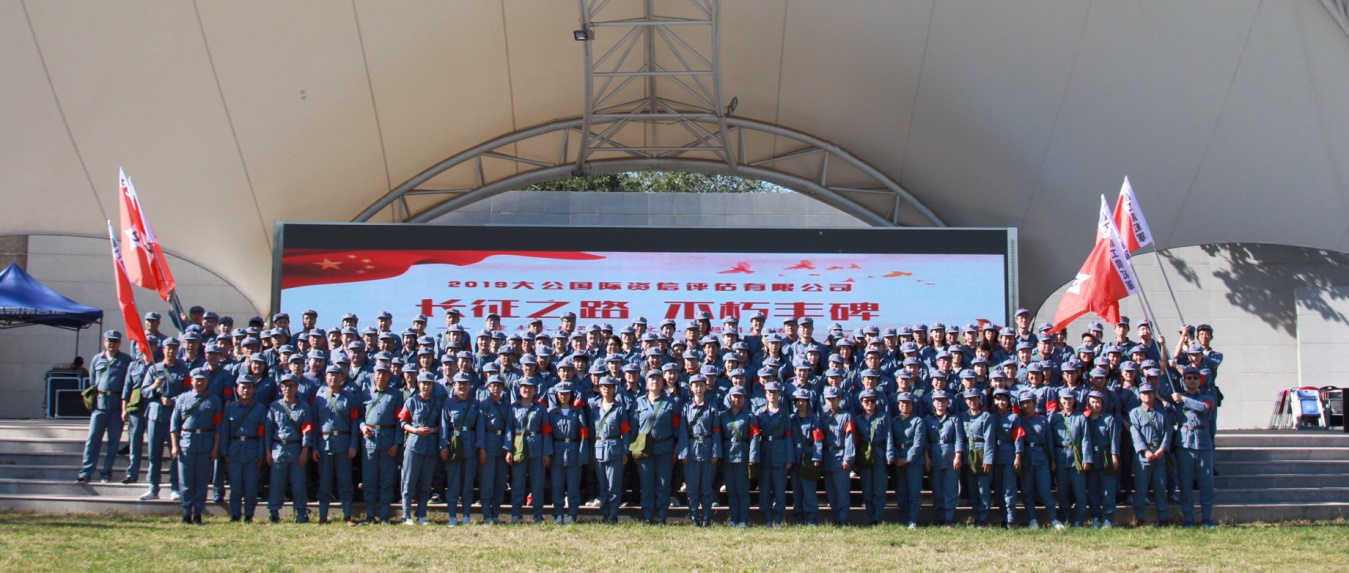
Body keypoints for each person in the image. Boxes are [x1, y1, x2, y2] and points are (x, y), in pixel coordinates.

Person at [138, 336, 189, 501]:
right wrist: (154, 386)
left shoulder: (183, 370)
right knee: (154, 453)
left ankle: (175, 487)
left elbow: (188, 392)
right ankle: (153, 487)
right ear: (163, 350)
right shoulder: (154, 368)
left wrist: (173, 400)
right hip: (155, 415)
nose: (171, 351)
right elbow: (144, 391)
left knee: (176, 453)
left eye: (174, 348)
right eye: (169, 348)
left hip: (174, 416)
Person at [78, 330, 132, 484]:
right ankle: (86, 472)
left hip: (116, 404)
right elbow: (92, 381)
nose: (112, 344)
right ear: (104, 342)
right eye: (109, 341)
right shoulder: (97, 359)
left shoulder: (126, 360)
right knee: (93, 439)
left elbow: (128, 384)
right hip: (100, 404)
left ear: (119, 343)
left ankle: (106, 472)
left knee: (113, 442)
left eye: (115, 341)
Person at [170, 368, 221, 524]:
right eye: (197, 380)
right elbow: (174, 424)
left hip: (206, 444)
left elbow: (218, 427)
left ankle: (198, 513)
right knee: (185, 481)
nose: (199, 383)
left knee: (202, 482)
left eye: (202, 380)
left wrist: (215, 448)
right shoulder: (182, 399)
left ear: (207, 382)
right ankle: (186, 513)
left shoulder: (214, 401)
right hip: (186, 443)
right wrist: (174, 446)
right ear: (191, 381)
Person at [312, 364, 360, 525]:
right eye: (330, 375)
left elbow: (354, 422)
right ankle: (323, 516)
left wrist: (353, 444)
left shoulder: (349, 397)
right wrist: (314, 447)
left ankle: (347, 516)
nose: (334, 377)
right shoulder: (319, 398)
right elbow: (314, 423)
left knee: (345, 482)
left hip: (343, 444)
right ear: (326, 377)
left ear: (342, 378)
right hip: (324, 445)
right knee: (324, 482)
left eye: (337, 375)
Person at [630, 370, 678, 524]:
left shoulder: (671, 403)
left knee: (663, 484)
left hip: (665, 448)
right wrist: (634, 450)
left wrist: (676, 447)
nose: (655, 382)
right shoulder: (638, 402)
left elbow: (676, 427)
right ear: (646, 383)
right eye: (651, 379)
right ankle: (647, 515)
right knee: (647, 484)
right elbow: (634, 428)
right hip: (644, 450)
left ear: (663, 382)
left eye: (658, 379)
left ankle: (662, 516)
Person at [266, 375, 314, 523]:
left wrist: (305, 451)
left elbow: (307, 430)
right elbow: (269, 430)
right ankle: (274, 512)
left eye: (291, 385)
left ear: (296, 387)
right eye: (285, 386)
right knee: (276, 483)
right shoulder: (275, 406)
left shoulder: (304, 406)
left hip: (296, 447)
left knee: (298, 483)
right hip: (278, 447)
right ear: (281, 388)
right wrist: (268, 451)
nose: (288, 388)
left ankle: (300, 512)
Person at [1174, 366, 1217, 528]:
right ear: (1183, 380)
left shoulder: (1207, 397)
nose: (1192, 380)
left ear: (1200, 381)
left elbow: (1204, 408)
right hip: (1184, 444)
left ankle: (1206, 518)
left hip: (1203, 443)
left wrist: (1184, 400)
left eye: (1195, 378)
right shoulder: (1177, 398)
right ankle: (1188, 519)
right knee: (1185, 484)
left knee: (1206, 483)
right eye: (1188, 378)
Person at [360, 365, 403, 523]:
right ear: (374, 375)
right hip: (369, 441)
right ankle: (370, 515)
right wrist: (362, 426)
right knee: (369, 480)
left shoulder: (396, 394)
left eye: (385, 374)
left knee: (387, 481)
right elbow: (358, 416)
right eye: (378, 374)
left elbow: (400, 421)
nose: (381, 377)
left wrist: (396, 444)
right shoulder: (365, 393)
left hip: (388, 441)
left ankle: (384, 515)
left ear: (389, 377)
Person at [220, 375, 266, 522]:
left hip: (252, 449)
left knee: (251, 486)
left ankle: (249, 514)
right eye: (243, 387)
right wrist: (224, 451)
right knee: (235, 486)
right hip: (235, 450)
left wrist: (260, 453)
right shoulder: (230, 409)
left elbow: (261, 434)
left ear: (254, 390)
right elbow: (225, 431)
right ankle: (235, 514)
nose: (246, 390)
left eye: (249, 387)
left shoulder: (259, 409)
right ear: (237, 390)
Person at [508, 378, 552, 524]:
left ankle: (538, 514)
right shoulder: (513, 408)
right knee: (518, 482)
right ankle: (516, 514)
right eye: (524, 387)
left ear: (535, 390)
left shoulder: (540, 408)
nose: (527, 390)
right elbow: (509, 430)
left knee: (537, 483)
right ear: (519, 389)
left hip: (537, 446)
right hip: (519, 446)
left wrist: (546, 452)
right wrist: (508, 450)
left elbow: (546, 431)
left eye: (530, 387)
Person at [679, 375, 722, 527]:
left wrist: (716, 452)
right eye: (695, 385)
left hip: (708, 449)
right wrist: (683, 453)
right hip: (691, 449)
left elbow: (716, 432)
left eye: (701, 385)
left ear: (705, 387)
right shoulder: (686, 408)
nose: (698, 388)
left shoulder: (712, 408)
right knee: (692, 487)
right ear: (691, 388)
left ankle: (706, 517)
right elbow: (683, 432)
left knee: (706, 487)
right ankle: (693, 517)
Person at [400, 372, 442, 525]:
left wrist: (432, 430)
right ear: (418, 385)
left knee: (425, 483)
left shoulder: (437, 403)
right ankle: (406, 515)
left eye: (429, 384)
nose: (426, 386)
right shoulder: (411, 401)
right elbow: (402, 422)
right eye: (423, 383)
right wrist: (415, 430)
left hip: (430, 446)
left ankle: (421, 515)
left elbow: (442, 425)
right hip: (414, 445)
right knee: (409, 481)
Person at [1049, 388, 1094, 528]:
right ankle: (1067, 519)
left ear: (1074, 400)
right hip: (1060, 457)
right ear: (1060, 401)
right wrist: (1052, 459)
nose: (1067, 401)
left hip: (1076, 458)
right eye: (1064, 399)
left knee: (1079, 492)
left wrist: (1086, 459)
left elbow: (1086, 439)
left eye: (1070, 399)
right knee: (1063, 492)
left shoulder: (1081, 417)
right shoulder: (1055, 417)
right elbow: (1050, 440)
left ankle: (1079, 520)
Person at [1129, 383, 1172, 526]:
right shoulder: (1135, 413)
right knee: (1141, 489)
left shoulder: (1162, 412)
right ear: (1139, 395)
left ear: (1154, 394)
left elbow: (1168, 431)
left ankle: (1163, 518)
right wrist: (1145, 451)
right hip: (1143, 456)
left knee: (1160, 488)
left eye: (1150, 392)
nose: (1147, 395)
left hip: (1159, 454)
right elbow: (1135, 434)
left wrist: (1162, 449)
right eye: (1144, 393)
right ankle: (1140, 518)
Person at [589, 376, 631, 524]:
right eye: (604, 386)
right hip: (599, 448)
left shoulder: (619, 408)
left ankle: (613, 515)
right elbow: (591, 430)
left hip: (615, 448)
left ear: (614, 389)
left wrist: (625, 451)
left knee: (614, 485)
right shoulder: (594, 407)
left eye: (609, 387)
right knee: (603, 485)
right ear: (599, 389)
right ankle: (605, 514)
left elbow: (625, 431)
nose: (606, 389)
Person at [440, 373, 479, 526]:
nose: (462, 386)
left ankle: (467, 516)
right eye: (459, 383)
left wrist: (480, 446)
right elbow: (444, 426)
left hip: (470, 445)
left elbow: (479, 427)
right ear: (454, 385)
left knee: (468, 483)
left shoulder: (475, 403)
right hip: (454, 446)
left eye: (465, 383)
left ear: (470, 385)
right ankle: (452, 516)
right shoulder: (448, 403)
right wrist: (443, 445)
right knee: (453, 482)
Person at [755, 382, 796, 527]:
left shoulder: (785, 414)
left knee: (779, 489)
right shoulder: (759, 413)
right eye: (769, 392)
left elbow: (789, 436)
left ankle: (778, 519)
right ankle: (767, 517)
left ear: (779, 394)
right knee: (765, 489)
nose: (772, 395)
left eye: (775, 392)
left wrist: (789, 458)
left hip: (780, 453)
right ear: (765, 394)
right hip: (764, 452)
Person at [547, 382, 588, 524]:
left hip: (573, 450)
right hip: (556, 451)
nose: (563, 396)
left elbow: (584, 434)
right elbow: (547, 434)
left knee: (573, 486)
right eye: (561, 394)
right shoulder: (552, 412)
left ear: (571, 395)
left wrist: (582, 455)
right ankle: (558, 514)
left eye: (566, 394)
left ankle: (572, 514)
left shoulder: (578, 412)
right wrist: (548, 453)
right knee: (557, 485)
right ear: (557, 395)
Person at [1015, 390, 1056, 529]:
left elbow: (1049, 441)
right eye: (1023, 403)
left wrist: (1052, 459)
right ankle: (1032, 520)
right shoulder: (1019, 420)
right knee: (1027, 492)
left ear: (1034, 403)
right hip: (1026, 459)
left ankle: (1054, 519)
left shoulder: (1043, 420)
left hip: (1041, 458)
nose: (1026, 405)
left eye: (1029, 402)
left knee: (1045, 491)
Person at [476, 375, 512, 525]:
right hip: (488, 445)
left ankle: (496, 514)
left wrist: (508, 448)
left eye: (499, 385)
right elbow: (480, 428)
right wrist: (482, 449)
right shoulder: (483, 405)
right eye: (493, 385)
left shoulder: (507, 406)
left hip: (502, 445)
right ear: (488, 387)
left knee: (500, 482)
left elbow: (509, 427)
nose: (496, 388)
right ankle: (486, 515)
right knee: (487, 482)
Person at [926, 390, 964, 526]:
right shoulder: (927, 419)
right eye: (937, 400)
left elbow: (959, 439)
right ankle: (940, 517)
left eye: (943, 400)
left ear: (948, 402)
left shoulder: (954, 419)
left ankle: (949, 518)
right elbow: (925, 440)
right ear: (933, 403)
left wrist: (958, 456)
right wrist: (926, 457)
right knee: (937, 488)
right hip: (934, 454)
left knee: (950, 488)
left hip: (950, 455)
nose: (940, 403)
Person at [720, 386, 757, 527]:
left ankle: (743, 519)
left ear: (745, 398)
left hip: (743, 455)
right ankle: (733, 518)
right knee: (731, 490)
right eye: (734, 396)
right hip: (727, 455)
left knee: (742, 490)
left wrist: (753, 457)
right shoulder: (723, 415)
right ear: (730, 398)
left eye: (740, 396)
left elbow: (754, 437)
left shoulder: (750, 416)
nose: (737, 399)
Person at [888, 392, 926, 529]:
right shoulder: (894, 421)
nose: (905, 405)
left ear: (912, 405)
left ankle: (913, 519)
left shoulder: (918, 421)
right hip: (898, 457)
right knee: (901, 491)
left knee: (914, 492)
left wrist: (907, 459)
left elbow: (918, 443)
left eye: (908, 403)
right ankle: (904, 519)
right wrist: (897, 457)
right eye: (902, 403)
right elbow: (891, 440)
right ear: (898, 405)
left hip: (914, 461)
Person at [820, 386, 856, 526]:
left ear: (839, 399)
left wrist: (848, 458)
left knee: (842, 491)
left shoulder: (846, 416)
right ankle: (836, 517)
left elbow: (849, 437)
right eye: (828, 399)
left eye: (833, 399)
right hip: (827, 456)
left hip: (841, 456)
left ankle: (842, 518)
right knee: (831, 490)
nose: (831, 402)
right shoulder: (822, 416)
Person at [1085, 390, 1121, 528]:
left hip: (1106, 456)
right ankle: (1095, 518)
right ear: (1088, 404)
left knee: (1108, 490)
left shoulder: (1109, 419)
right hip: (1091, 458)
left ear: (1103, 403)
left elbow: (1114, 439)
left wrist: (1114, 455)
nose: (1095, 405)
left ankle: (1108, 518)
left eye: (1098, 402)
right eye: (1092, 402)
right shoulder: (1085, 419)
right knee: (1092, 491)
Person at [853, 389, 888, 526]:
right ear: (861, 403)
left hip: (879, 453)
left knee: (879, 488)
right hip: (864, 455)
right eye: (866, 401)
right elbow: (855, 440)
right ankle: (870, 517)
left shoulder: (883, 417)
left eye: (872, 401)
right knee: (867, 489)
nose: (869, 403)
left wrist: (889, 456)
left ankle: (877, 517)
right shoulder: (857, 419)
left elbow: (889, 436)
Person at [961, 390, 995, 526]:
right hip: (968, 455)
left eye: (975, 399)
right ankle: (976, 515)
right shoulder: (963, 416)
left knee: (983, 488)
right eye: (969, 399)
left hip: (981, 454)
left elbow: (989, 440)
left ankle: (983, 518)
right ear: (965, 401)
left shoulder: (986, 416)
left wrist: (988, 459)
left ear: (980, 399)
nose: (972, 402)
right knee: (973, 489)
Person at [988, 388, 1020, 527]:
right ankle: (1003, 518)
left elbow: (1018, 438)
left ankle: (1011, 519)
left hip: (1009, 456)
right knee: (999, 490)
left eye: (1004, 400)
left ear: (1008, 402)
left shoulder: (1014, 418)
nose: (1001, 402)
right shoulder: (991, 417)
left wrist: (1018, 456)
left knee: (1009, 489)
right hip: (995, 456)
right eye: (998, 399)